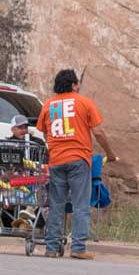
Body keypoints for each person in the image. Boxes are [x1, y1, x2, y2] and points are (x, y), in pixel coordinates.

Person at [36, 69, 118, 260]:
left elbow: (44, 132)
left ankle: (52, 248)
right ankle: (78, 248)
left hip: (56, 160)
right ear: (74, 84)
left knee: (56, 204)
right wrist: (110, 153)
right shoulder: (84, 102)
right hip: (78, 159)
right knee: (81, 204)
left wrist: (54, 147)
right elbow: (98, 132)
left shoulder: (49, 104)